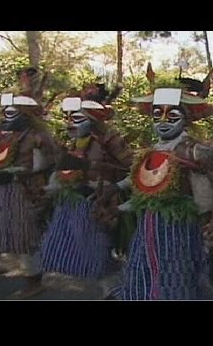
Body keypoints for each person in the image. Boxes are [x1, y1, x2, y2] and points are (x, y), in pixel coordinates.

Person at [107, 64, 213, 300]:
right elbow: (145, 196)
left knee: (177, 281)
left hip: (179, 234)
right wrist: (117, 202)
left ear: (186, 119)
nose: (163, 121)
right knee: (143, 276)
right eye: (157, 114)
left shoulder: (193, 150)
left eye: (173, 114)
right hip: (146, 232)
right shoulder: (151, 151)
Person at [14, 83, 133, 299]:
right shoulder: (76, 143)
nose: (69, 124)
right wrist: (48, 189)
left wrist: (107, 178)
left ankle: (113, 291)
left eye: (76, 118)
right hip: (73, 202)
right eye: (68, 118)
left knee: (99, 251)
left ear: (94, 119)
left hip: (100, 202)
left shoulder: (110, 140)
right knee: (72, 247)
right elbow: (66, 173)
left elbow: (131, 169)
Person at [0, 68, 58, 298]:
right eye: (4, 112)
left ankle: (34, 281)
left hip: (26, 193)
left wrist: (13, 174)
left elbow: (44, 164)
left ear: (25, 115)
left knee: (25, 238)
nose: (4, 116)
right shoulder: (10, 136)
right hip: (2, 191)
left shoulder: (39, 136)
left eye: (10, 113)